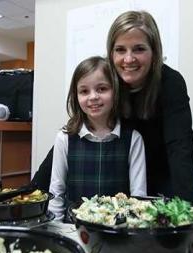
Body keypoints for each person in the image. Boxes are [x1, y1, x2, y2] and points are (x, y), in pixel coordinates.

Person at [106, 10, 193, 202]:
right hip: (130, 175)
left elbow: (179, 148)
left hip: (170, 174)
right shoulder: (106, 82)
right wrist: (33, 189)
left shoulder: (171, 82)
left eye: (139, 49)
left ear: (154, 52)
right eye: (120, 49)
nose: (129, 59)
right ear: (111, 53)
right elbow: (76, 127)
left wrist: (186, 211)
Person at [48, 56, 147, 221]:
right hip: (74, 228)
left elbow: (139, 197)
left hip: (117, 230)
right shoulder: (64, 138)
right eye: (84, 91)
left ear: (115, 91)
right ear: (76, 95)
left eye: (101, 89)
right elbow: (56, 191)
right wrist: (56, 231)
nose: (93, 97)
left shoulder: (133, 139)